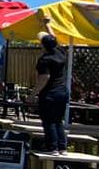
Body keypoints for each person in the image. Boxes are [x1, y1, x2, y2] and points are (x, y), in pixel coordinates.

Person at [29, 17, 69, 155]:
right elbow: (54, 38)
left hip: (49, 93)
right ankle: (62, 148)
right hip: (62, 92)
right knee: (58, 120)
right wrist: (48, 25)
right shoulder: (61, 52)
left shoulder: (44, 60)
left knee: (48, 120)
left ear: (43, 46)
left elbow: (44, 78)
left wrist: (33, 94)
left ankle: (52, 147)